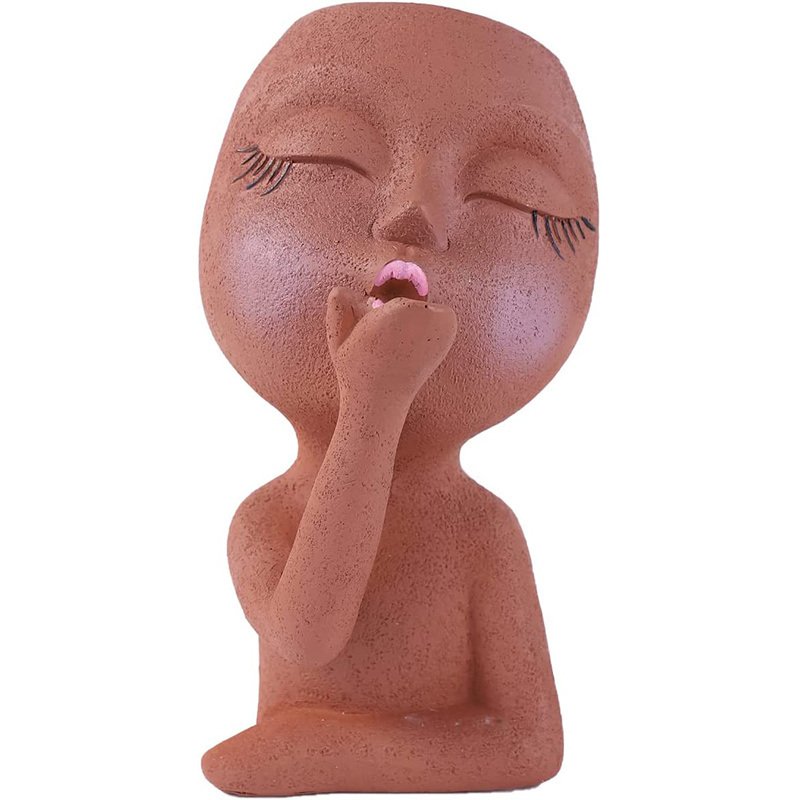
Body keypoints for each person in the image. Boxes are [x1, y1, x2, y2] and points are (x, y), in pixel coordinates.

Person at [199, 3, 598, 794]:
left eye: (514, 194)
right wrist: (370, 407)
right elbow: (310, 637)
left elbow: (532, 747)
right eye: (324, 155)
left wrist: (316, 749)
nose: (413, 214)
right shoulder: (266, 519)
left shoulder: (482, 531)